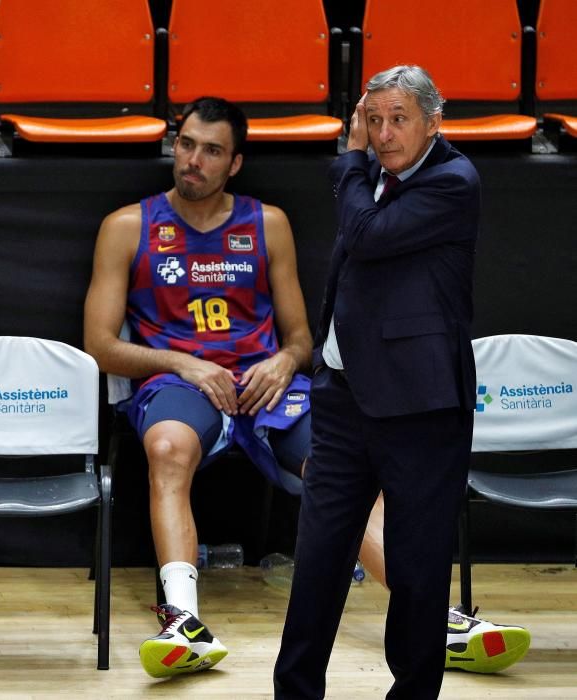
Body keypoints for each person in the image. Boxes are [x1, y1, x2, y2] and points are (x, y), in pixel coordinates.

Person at [273, 65, 528, 699]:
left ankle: (413, 694)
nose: (384, 134)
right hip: (341, 399)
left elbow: (367, 234)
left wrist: (351, 158)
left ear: (434, 122)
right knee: (319, 560)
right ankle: (295, 692)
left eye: (399, 119)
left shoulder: (451, 181)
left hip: (419, 407)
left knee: (415, 571)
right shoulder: (373, 182)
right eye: (374, 119)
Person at [84, 96, 314, 678]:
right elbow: (99, 345)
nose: (193, 160)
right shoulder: (128, 226)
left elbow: (301, 339)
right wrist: (184, 364)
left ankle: (432, 617)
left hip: (262, 383)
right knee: (166, 449)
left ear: (234, 163)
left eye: (212, 151)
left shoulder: (269, 224)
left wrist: (284, 363)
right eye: (186, 144)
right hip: (178, 381)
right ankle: (183, 623)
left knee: (341, 463)